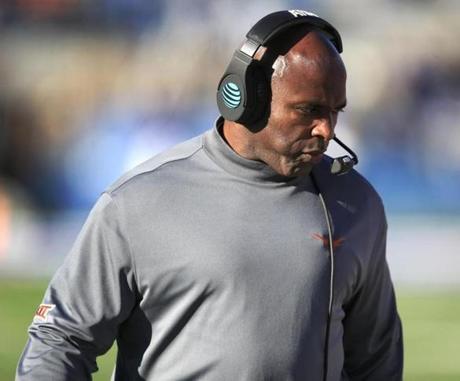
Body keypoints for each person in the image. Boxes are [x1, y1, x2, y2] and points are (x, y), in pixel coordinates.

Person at [17, 10, 403, 381]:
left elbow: (375, 362)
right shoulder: (137, 202)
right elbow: (60, 339)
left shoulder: (357, 203)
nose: (325, 129)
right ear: (245, 97)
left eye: (335, 111)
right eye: (308, 110)